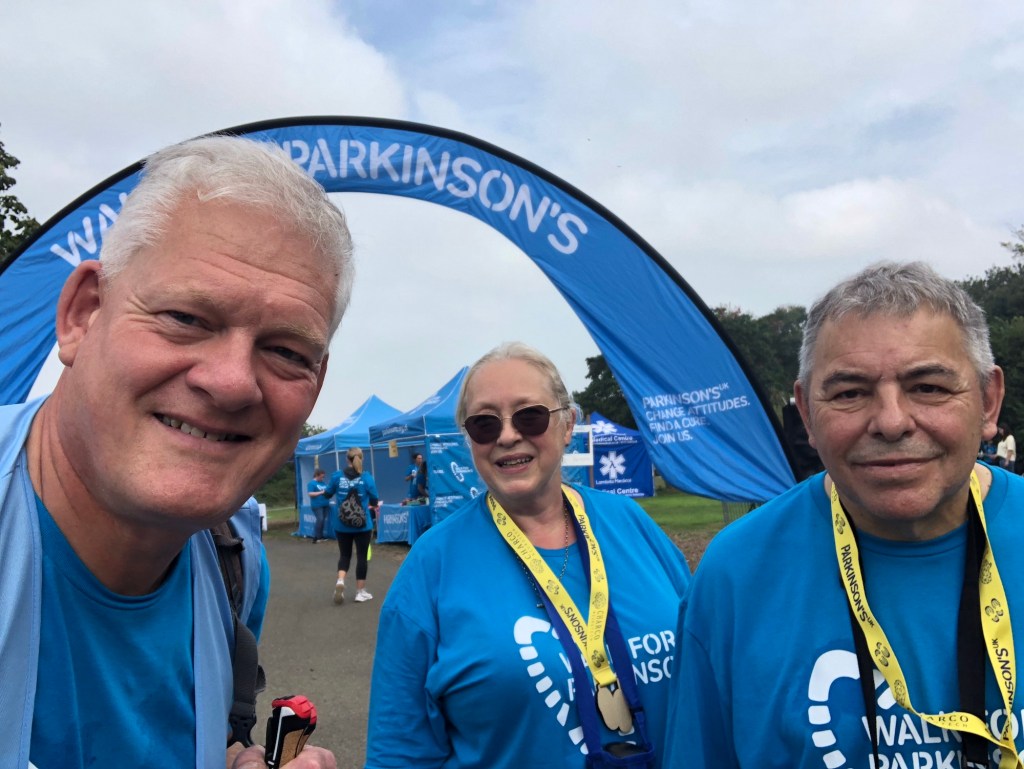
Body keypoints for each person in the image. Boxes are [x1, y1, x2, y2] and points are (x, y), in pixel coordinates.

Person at [0, 135, 353, 769]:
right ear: (83, 315)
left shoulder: (234, 557)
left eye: (285, 351)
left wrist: (233, 756)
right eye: (186, 318)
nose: (232, 382)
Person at [663, 261, 1020, 769]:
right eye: (850, 393)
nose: (891, 422)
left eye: (928, 387)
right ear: (807, 413)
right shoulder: (735, 575)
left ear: (988, 401)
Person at [365, 342, 691, 769]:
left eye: (529, 416)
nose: (506, 436)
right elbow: (398, 752)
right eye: (484, 424)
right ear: (469, 440)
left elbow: (706, 675)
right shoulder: (432, 564)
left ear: (567, 424)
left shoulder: (630, 523)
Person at [324, 447, 379, 605]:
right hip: (362, 525)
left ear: (346, 459)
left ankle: (340, 581)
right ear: (362, 458)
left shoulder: (337, 476)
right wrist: (370, 503)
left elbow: (327, 494)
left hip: (342, 524)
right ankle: (360, 592)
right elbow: (374, 499)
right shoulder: (367, 477)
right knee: (362, 557)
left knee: (344, 555)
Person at [308, 467, 331, 543]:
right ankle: (316, 537)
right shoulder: (311, 483)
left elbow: (326, 491)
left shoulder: (323, 483)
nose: (323, 478)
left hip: (325, 504)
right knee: (320, 519)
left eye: (323, 477)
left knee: (322, 520)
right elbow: (310, 494)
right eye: (321, 477)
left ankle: (321, 536)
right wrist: (321, 492)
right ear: (317, 475)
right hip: (317, 505)